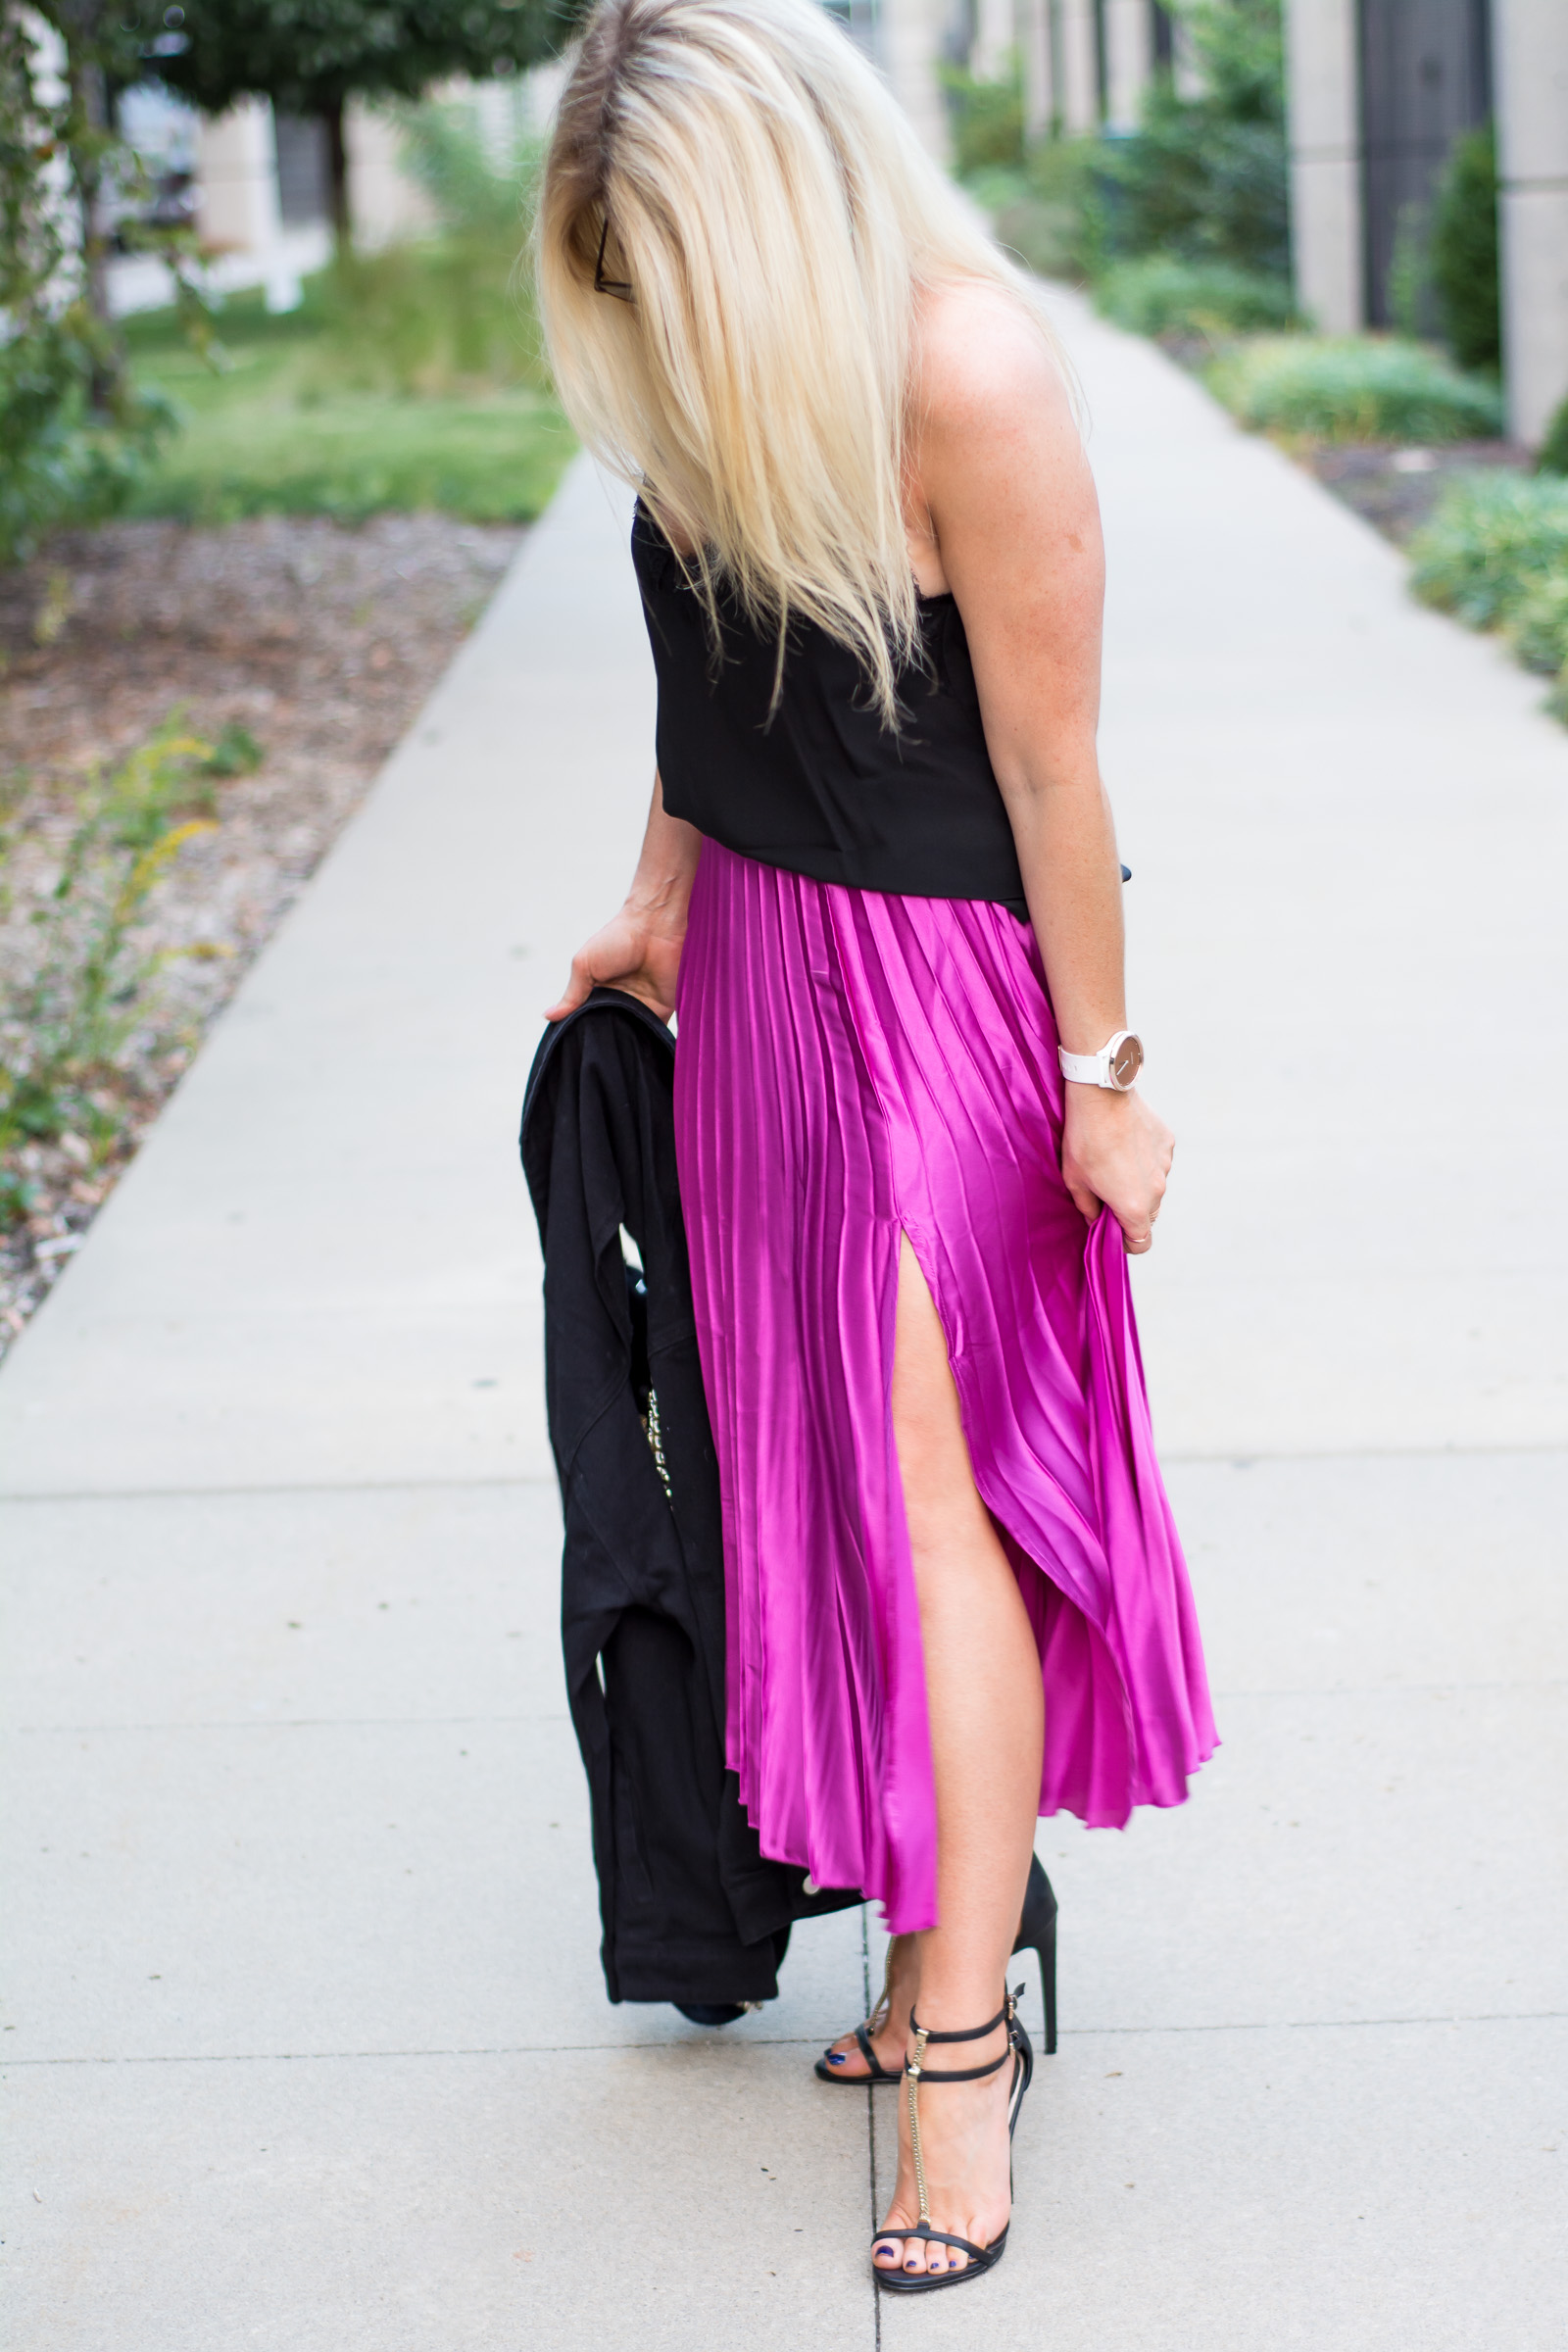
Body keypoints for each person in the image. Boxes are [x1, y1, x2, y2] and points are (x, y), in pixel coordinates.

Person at [536, 0, 1216, 2291]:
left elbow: (1051, 766)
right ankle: (953, 1923)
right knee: (811, 1485)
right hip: (741, 981)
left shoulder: (964, 371)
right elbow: (704, 668)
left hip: (932, 1009)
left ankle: (955, 2048)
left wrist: (1105, 1073)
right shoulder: (713, 368)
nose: (651, 319)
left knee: (938, 1516)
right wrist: (652, 892)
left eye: (668, 262)